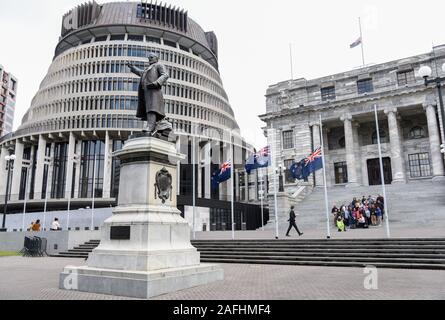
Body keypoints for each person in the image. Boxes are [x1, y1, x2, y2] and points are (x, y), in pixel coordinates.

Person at [127, 53, 170, 134]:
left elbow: (165, 75)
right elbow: (141, 73)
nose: (149, 58)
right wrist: (133, 67)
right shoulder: (148, 69)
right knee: (148, 108)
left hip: (154, 90)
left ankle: (150, 126)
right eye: (149, 57)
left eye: (151, 57)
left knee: (152, 108)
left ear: (156, 58)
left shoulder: (158, 65)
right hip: (146, 91)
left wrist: (157, 83)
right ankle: (151, 125)